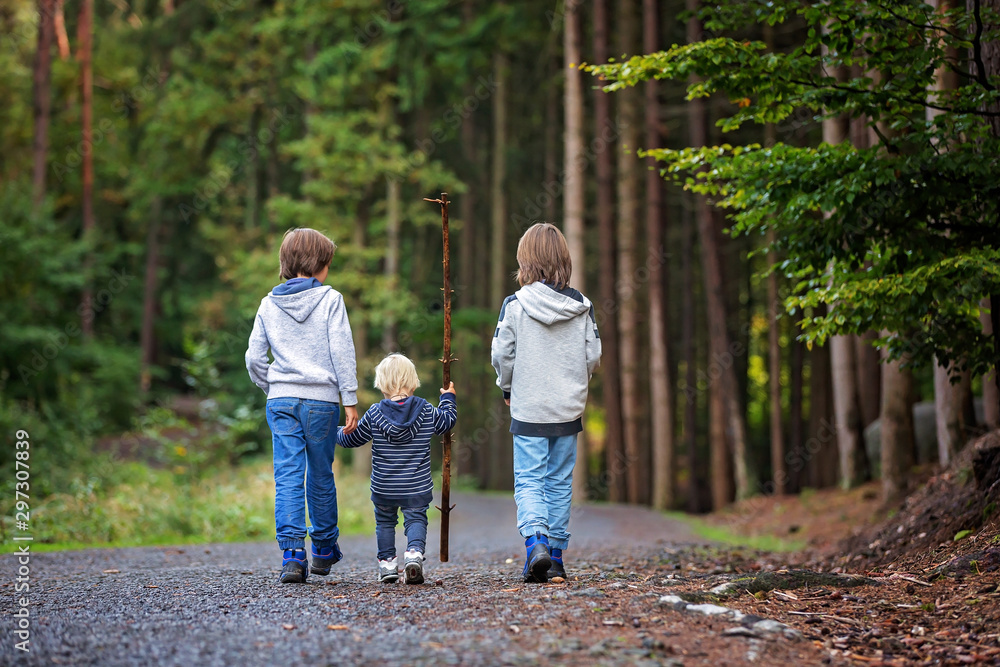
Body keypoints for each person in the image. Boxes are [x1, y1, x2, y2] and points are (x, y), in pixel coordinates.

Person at [245, 228, 360, 584]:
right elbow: (342, 351)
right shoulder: (331, 300)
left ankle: (292, 555)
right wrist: (350, 399)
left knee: (288, 475)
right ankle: (323, 549)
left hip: (280, 400)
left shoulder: (268, 303)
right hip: (322, 402)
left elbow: (253, 357)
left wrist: (273, 386)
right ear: (320, 265)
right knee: (321, 474)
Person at [491, 222, 602, 583]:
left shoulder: (515, 305)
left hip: (529, 407)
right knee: (559, 481)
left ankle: (535, 541)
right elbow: (593, 356)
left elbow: (502, 354)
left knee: (529, 479)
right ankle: (554, 557)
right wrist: (577, 386)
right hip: (567, 409)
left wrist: (507, 387)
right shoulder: (582, 307)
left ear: (526, 261)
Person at [338, 354, 457, 584]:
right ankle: (413, 556)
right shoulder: (425, 410)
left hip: (384, 486)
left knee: (384, 522)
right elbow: (447, 421)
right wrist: (449, 399)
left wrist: (336, 432)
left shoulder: (374, 413)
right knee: (415, 520)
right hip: (416, 486)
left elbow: (352, 439)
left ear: (381, 384)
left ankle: (387, 565)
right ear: (413, 382)